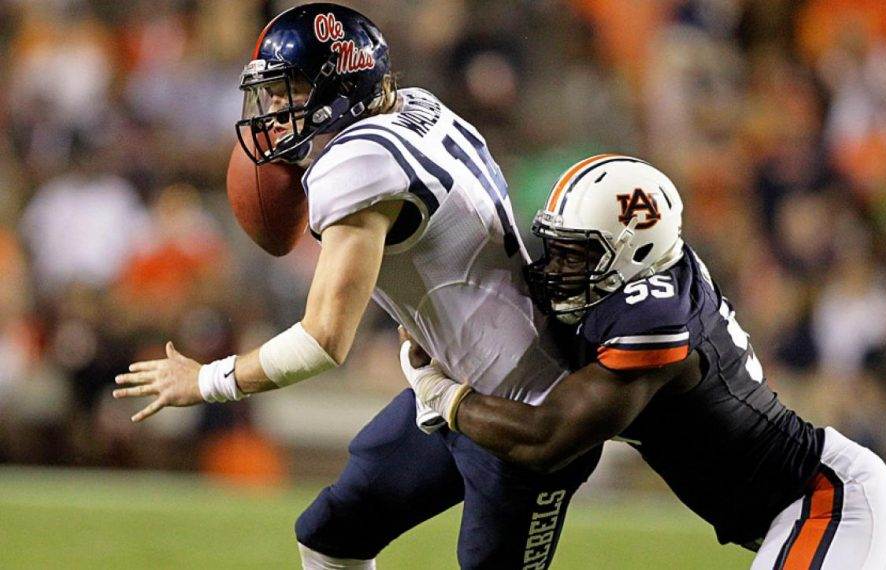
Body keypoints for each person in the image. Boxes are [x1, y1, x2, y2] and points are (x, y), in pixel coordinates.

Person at [113, 4, 601, 569]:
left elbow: (323, 341)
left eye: (287, 90)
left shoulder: (358, 162)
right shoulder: (416, 105)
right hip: (452, 384)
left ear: (340, 87)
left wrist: (208, 380)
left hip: (526, 414)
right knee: (331, 534)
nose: (272, 109)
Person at [401, 156, 886, 569]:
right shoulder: (638, 282)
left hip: (824, 501)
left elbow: (547, 439)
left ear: (633, 253)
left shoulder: (654, 317)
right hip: (812, 503)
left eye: (580, 255)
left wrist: (441, 393)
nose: (559, 267)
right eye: (559, 248)